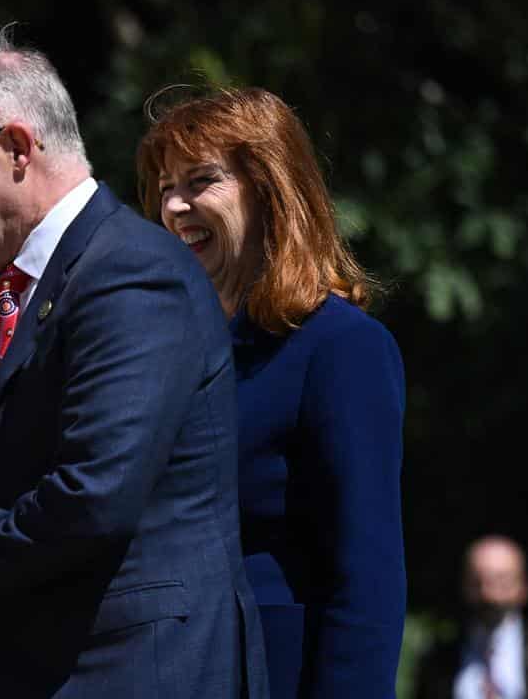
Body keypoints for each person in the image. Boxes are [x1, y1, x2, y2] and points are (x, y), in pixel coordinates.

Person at [0, 32, 267, 698]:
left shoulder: (129, 275)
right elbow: (35, 490)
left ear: (17, 147)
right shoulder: (47, 283)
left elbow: (92, 501)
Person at [135, 86, 407, 698]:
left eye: (200, 181)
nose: (174, 207)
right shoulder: (173, 348)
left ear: (269, 188)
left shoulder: (341, 346)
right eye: (164, 187)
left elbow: (367, 574)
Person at [416, 535, 528, 699]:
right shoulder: (438, 658)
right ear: (464, 585)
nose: (488, 594)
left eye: (501, 580)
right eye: (477, 581)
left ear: (523, 587)